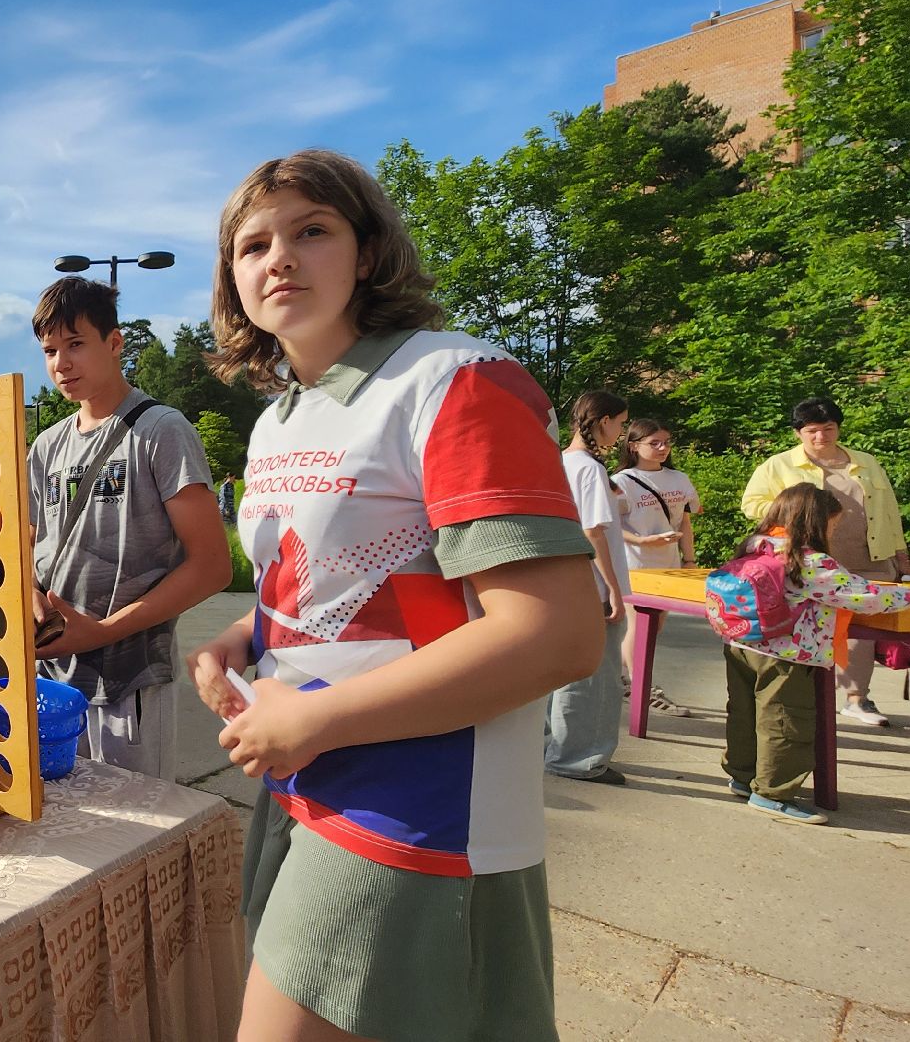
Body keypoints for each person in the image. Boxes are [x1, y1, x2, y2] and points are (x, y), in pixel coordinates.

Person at [185, 150, 601, 1042]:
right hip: (301, 774)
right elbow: (320, 589)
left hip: (422, 800)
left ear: (367, 252)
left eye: (312, 231)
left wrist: (322, 719)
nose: (279, 259)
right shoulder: (276, 419)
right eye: (252, 246)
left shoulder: (453, 376)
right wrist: (238, 644)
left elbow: (557, 633)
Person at [26, 276, 232, 780]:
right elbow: (30, 544)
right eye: (50, 350)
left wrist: (100, 631)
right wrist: (33, 601)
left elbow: (212, 566)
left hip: (128, 680)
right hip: (51, 679)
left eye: (76, 344)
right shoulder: (47, 446)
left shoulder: (161, 430)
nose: (61, 364)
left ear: (114, 343)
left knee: (136, 831)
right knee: (61, 825)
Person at [720, 484, 910, 824]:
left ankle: (742, 776)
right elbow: (861, 596)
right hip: (789, 653)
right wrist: (904, 597)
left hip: (744, 643)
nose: (833, 531)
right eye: (832, 524)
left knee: (744, 714)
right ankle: (774, 793)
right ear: (815, 521)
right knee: (786, 721)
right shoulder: (809, 560)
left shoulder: (756, 545)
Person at [742, 397, 910, 728]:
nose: (821, 437)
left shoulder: (865, 462)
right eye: (812, 431)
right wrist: (794, 515)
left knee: (867, 628)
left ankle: (857, 699)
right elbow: (752, 504)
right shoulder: (779, 465)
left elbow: (889, 511)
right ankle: (807, 697)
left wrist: (901, 556)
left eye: (828, 429)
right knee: (816, 629)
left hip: (872, 557)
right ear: (798, 433)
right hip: (816, 564)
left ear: (839, 428)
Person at [547, 390, 633, 785]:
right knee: (595, 677)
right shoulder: (590, 469)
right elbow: (593, 530)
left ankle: (555, 748)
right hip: (592, 585)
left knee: (561, 673)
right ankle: (581, 758)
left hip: (562, 582)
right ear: (604, 422)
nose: (621, 432)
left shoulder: (555, 461)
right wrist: (613, 589)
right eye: (620, 423)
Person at [613, 418, 699, 716]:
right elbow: (608, 526)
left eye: (666, 442)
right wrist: (641, 540)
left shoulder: (679, 479)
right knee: (638, 624)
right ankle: (642, 686)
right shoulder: (621, 482)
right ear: (634, 446)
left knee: (656, 625)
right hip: (634, 564)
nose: (663, 448)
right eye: (655, 443)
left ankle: (621, 677)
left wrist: (689, 559)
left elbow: (685, 522)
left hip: (669, 565)